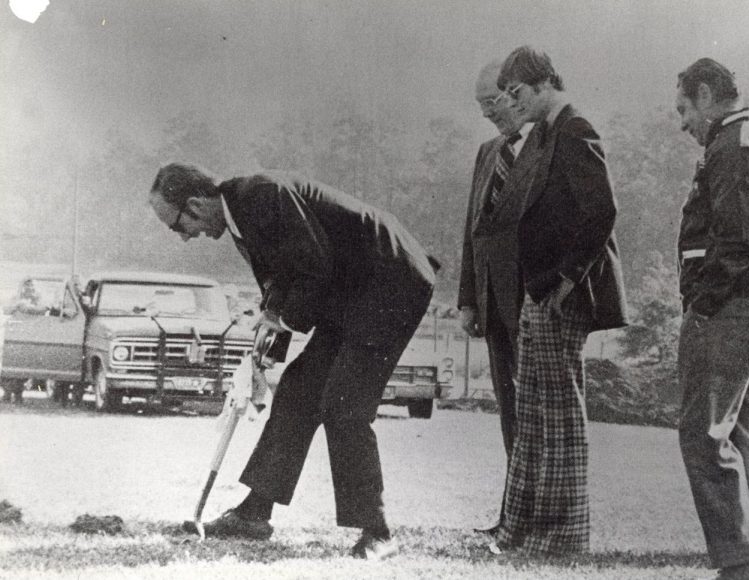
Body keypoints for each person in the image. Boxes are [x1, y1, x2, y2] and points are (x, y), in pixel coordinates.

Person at [149, 164, 438, 560]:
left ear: (196, 204)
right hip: (350, 291)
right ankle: (253, 515)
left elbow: (313, 268)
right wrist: (269, 345)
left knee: (344, 406)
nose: (183, 238)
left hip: (389, 283)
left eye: (176, 225)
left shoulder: (260, 197)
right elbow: (283, 280)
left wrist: (281, 321)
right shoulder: (239, 214)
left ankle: (379, 532)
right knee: (298, 392)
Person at [493, 46, 628, 555]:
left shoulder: (575, 129)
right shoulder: (548, 132)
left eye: (519, 93)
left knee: (560, 419)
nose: (513, 103)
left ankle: (563, 537)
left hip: (560, 297)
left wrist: (567, 282)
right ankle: (524, 530)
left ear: (545, 83)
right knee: (532, 416)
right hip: (541, 291)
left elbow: (602, 211)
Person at [674, 58, 749, 580]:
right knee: (747, 440)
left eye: (683, 108)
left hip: (732, 309)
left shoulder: (730, 147)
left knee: (703, 437)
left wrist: (702, 306)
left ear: (706, 95)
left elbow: (734, 241)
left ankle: (744, 567)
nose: (682, 122)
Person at [457, 59, 537, 534]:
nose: (487, 113)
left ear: (515, 92)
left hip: (533, 301)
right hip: (493, 304)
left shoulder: (549, 145)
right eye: (480, 105)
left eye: (492, 101)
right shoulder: (488, 152)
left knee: (536, 412)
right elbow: (473, 231)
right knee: (509, 410)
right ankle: (512, 516)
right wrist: (469, 298)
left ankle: (536, 515)